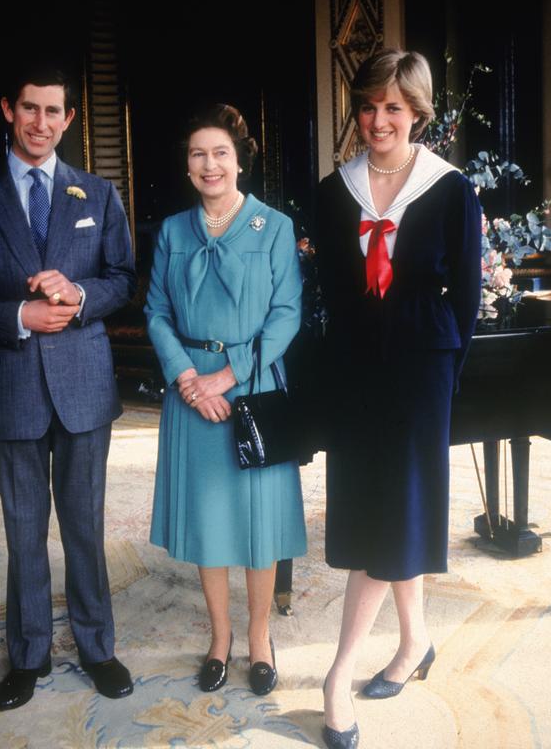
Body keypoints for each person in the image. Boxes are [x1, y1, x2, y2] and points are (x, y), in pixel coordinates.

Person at [0, 66, 137, 710]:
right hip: (13, 388)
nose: (41, 124)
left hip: (84, 387)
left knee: (84, 525)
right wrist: (18, 316)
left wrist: (79, 296)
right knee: (24, 531)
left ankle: (97, 646)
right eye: (30, 109)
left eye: (54, 112)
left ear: (70, 119)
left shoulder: (99, 196)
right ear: (8, 109)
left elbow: (122, 280)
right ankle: (27, 657)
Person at [314, 49, 482, 748]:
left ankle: (337, 676)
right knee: (374, 511)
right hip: (356, 371)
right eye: (368, 106)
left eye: (393, 107)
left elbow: (467, 299)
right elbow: (329, 292)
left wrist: (438, 370)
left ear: (417, 111)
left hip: (420, 372)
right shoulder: (333, 192)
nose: (378, 120)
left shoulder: (451, 191)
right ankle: (415, 642)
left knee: (394, 514)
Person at [145, 103, 306, 696]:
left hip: (253, 387)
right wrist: (190, 378)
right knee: (210, 522)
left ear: (240, 161)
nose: (209, 164)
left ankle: (260, 637)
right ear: (187, 166)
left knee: (258, 524)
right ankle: (220, 637)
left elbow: (287, 314)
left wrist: (228, 375)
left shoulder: (276, 227)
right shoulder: (171, 231)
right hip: (190, 390)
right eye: (197, 154)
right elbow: (156, 312)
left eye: (220, 153)